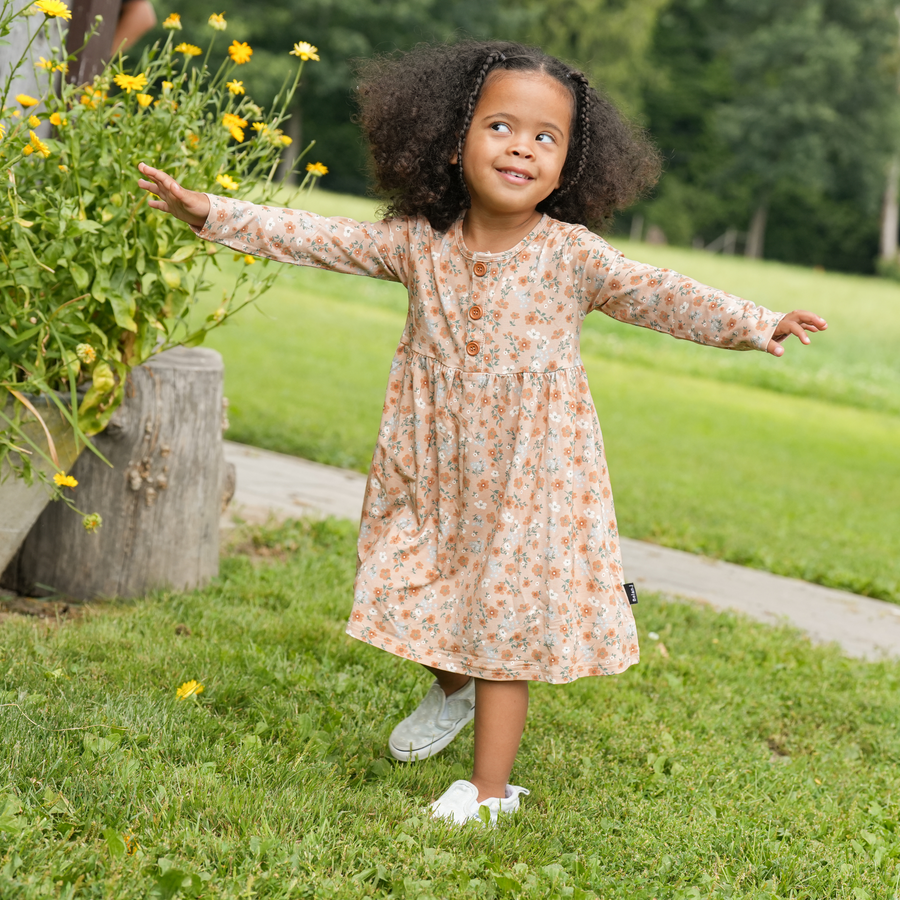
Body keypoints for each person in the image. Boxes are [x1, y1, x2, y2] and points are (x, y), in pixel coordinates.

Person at [136, 40, 827, 827]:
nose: (520, 148)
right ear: (453, 135)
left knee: (502, 623)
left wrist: (756, 323)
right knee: (420, 585)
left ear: (572, 164)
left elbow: (663, 293)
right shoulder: (417, 242)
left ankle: (489, 792)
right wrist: (213, 212)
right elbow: (314, 235)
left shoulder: (571, 256)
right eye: (501, 126)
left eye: (545, 137)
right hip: (431, 461)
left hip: (533, 475)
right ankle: (452, 688)